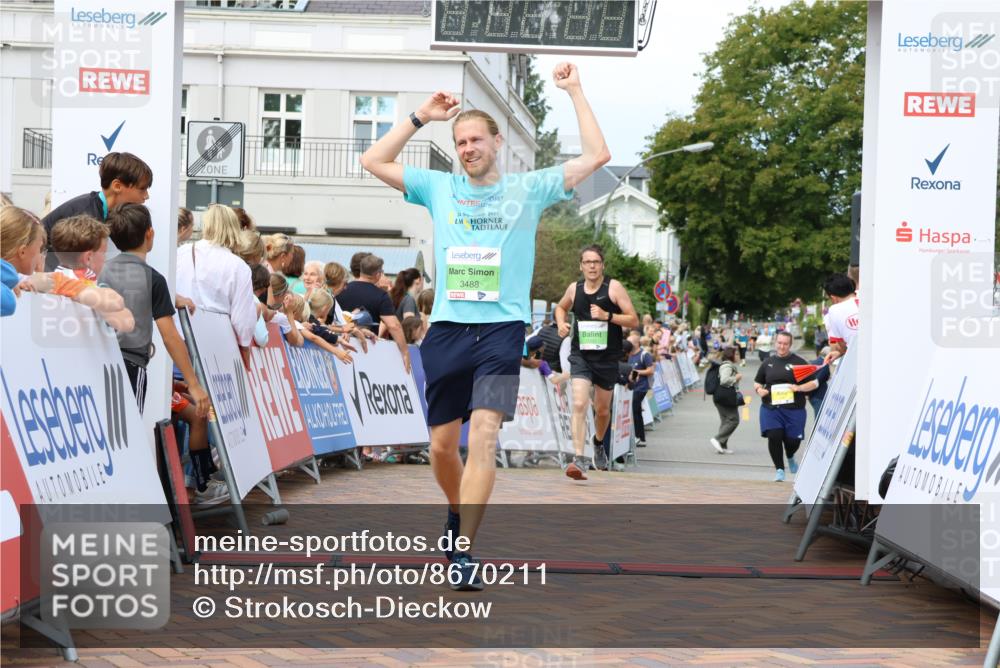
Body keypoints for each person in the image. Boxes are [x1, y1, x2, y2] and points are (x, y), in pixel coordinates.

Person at [361, 61, 610, 590]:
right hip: (449, 328)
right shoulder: (439, 187)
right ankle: (456, 514)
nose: (468, 148)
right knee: (441, 447)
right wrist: (419, 117)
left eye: (476, 139)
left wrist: (575, 92)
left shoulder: (530, 188)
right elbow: (372, 159)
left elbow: (597, 156)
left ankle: (465, 548)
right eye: (461, 142)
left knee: (487, 434)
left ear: (497, 142)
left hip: (501, 332)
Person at [99, 203, 209, 417]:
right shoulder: (153, 279)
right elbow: (170, 337)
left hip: (101, 359)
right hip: (132, 363)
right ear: (150, 233)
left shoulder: (102, 270)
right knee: (130, 430)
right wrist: (193, 384)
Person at [554, 244, 639, 481]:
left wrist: (607, 316)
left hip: (607, 358)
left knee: (602, 410)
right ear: (581, 265)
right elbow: (561, 307)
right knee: (579, 403)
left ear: (602, 265)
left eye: (596, 262)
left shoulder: (613, 288)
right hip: (581, 355)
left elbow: (633, 320)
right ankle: (579, 458)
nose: (592, 266)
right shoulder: (575, 288)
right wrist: (561, 322)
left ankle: (598, 442)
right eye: (587, 262)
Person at [41, 152, 152, 270]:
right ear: (117, 186)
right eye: (142, 189)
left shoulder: (103, 211)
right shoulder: (86, 215)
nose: (146, 196)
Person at [176, 205, 258, 351]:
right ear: (233, 227)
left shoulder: (181, 252)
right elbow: (242, 321)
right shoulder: (238, 267)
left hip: (179, 339)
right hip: (217, 347)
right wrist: (245, 349)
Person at [753, 331, 818, 482]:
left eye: (785, 344)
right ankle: (779, 470)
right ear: (775, 343)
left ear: (790, 344)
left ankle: (790, 455)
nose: (782, 347)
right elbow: (757, 381)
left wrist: (799, 388)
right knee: (774, 436)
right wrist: (759, 390)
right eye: (779, 343)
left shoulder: (799, 362)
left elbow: (815, 383)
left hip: (794, 410)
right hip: (771, 408)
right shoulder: (768, 362)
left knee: (792, 441)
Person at [335, 254, 410, 372]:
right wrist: (405, 352)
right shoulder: (381, 296)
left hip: (341, 349)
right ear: (378, 274)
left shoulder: (342, 289)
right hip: (367, 351)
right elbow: (393, 325)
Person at [49, 215, 109, 282]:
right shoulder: (86, 288)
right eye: (104, 253)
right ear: (88, 258)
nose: (105, 259)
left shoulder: (54, 279)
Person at [710, 346, 742, 454]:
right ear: (731, 355)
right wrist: (736, 378)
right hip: (725, 397)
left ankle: (722, 446)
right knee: (734, 420)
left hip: (721, 397)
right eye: (736, 354)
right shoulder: (727, 366)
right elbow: (724, 380)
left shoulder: (726, 365)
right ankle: (717, 439)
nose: (738, 356)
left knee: (725, 421)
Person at [822, 273, 859, 364]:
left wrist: (839, 352)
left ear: (833, 298)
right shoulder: (869, 296)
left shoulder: (834, 311)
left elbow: (842, 346)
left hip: (857, 360)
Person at [626, 332, 655, 448]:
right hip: (632, 386)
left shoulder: (644, 354)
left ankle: (639, 437)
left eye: (630, 342)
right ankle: (640, 437)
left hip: (642, 387)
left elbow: (651, 370)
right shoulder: (628, 355)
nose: (628, 344)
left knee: (635, 409)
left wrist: (637, 372)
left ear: (637, 343)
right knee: (636, 411)